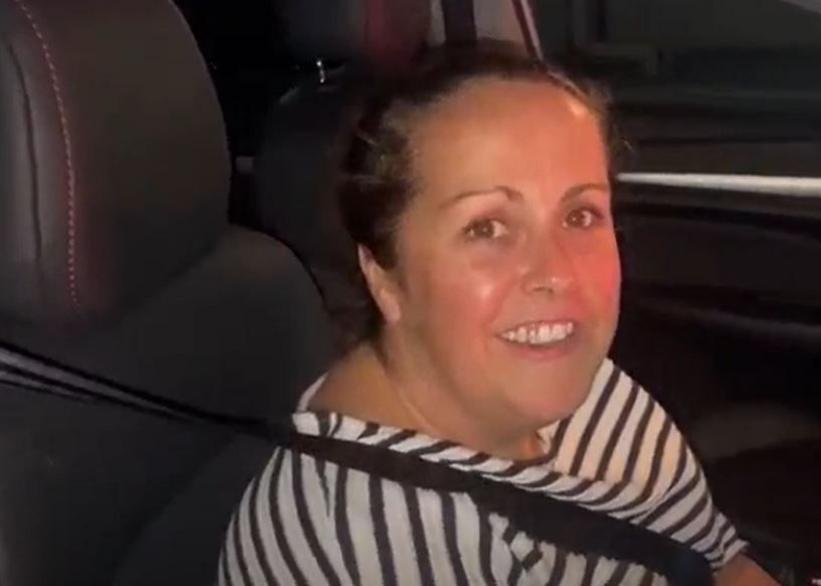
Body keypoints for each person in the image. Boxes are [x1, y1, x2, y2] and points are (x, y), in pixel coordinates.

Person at [218, 46, 779, 585]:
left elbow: (719, 563)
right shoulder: (356, 548)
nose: (557, 272)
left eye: (581, 215)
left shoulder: (570, 381)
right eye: (486, 228)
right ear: (384, 277)